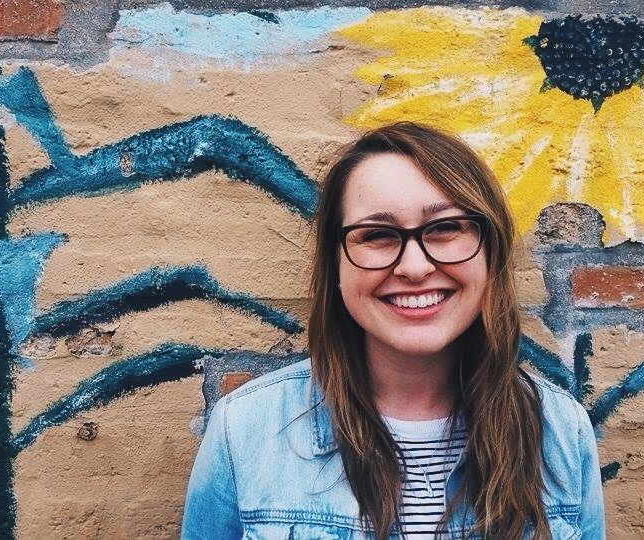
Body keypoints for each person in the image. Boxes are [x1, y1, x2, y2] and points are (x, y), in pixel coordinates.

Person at [181, 122, 604, 539]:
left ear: (489, 251)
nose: (415, 268)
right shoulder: (247, 429)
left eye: (444, 228)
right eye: (377, 235)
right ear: (337, 266)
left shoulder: (561, 432)